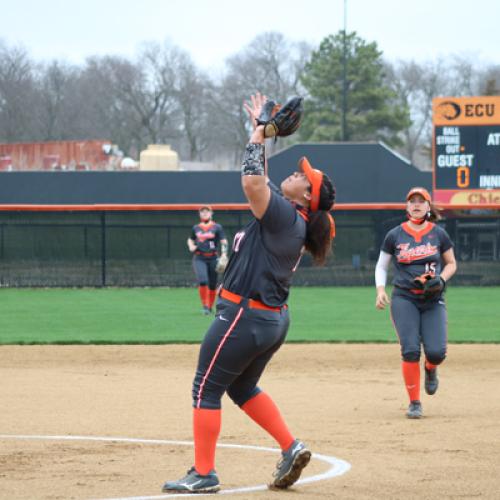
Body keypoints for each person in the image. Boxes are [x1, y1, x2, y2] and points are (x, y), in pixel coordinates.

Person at [162, 92, 336, 494]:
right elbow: (261, 176)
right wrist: (257, 132)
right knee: (239, 387)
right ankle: (291, 447)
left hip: (244, 316)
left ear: (307, 196)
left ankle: (204, 473)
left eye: (302, 177)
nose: (295, 174)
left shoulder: (284, 215)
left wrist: (262, 131)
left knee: (205, 388)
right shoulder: (291, 216)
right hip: (270, 319)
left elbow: (252, 180)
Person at [375, 187, 457, 419]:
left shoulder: (439, 234)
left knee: (436, 352)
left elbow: (451, 263)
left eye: (422, 201)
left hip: (433, 299)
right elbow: (382, 265)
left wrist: (441, 279)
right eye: (413, 201)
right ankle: (414, 403)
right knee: (410, 350)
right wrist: (380, 290)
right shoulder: (395, 235)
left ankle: (431, 369)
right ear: (407, 206)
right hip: (404, 297)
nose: (417, 204)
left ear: (428, 207)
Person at [187, 206, 228, 314]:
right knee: (203, 280)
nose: (204, 213)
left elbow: (224, 242)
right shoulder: (196, 228)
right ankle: (205, 306)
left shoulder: (217, 227)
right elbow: (190, 239)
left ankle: (209, 307)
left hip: (213, 257)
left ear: (211, 213)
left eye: (207, 211)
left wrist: (224, 254)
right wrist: (191, 246)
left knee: (213, 284)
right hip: (199, 257)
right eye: (202, 212)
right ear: (199, 214)